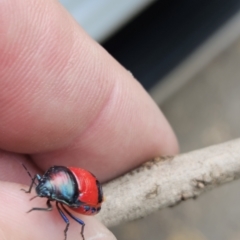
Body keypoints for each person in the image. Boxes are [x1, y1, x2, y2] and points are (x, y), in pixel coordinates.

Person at [0, 0, 178, 239]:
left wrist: (33, 209)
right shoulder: (55, 179)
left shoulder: (62, 198)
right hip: (77, 185)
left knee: (77, 224)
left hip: (86, 196)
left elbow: (81, 212)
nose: (40, 188)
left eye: (45, 190)